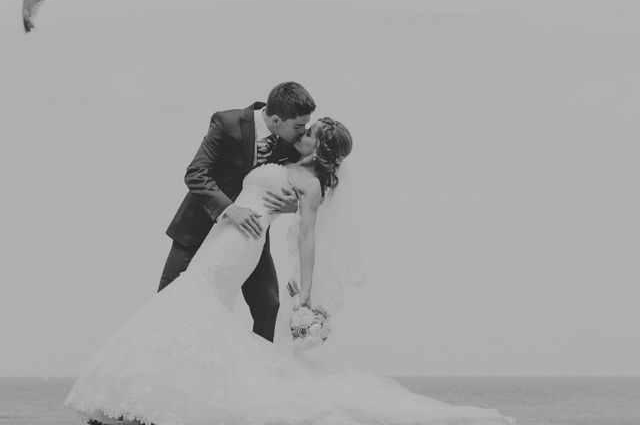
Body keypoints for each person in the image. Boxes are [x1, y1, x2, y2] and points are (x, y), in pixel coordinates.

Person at [65, 118, 515, 425]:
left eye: (310, 131)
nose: (303, 132)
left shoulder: (310, 184)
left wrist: (307, 294)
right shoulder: (284, 159)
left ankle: (149, 402)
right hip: (221, 235)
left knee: (193, 300)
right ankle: (159, 401)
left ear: (319, 145)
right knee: (198, 307)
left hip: (241, 243)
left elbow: (307, 236)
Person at [159, 81, 315, 342]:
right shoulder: (226, 123)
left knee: (269, 304)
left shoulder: (289, 141)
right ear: (276, 119)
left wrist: (294, 205)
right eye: (298, 127)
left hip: (248, 236)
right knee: (167, 302)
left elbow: (302, 180)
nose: (302, 133)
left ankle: (258, 373)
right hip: (199, 227)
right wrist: (229, 209)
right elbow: (196, 173)